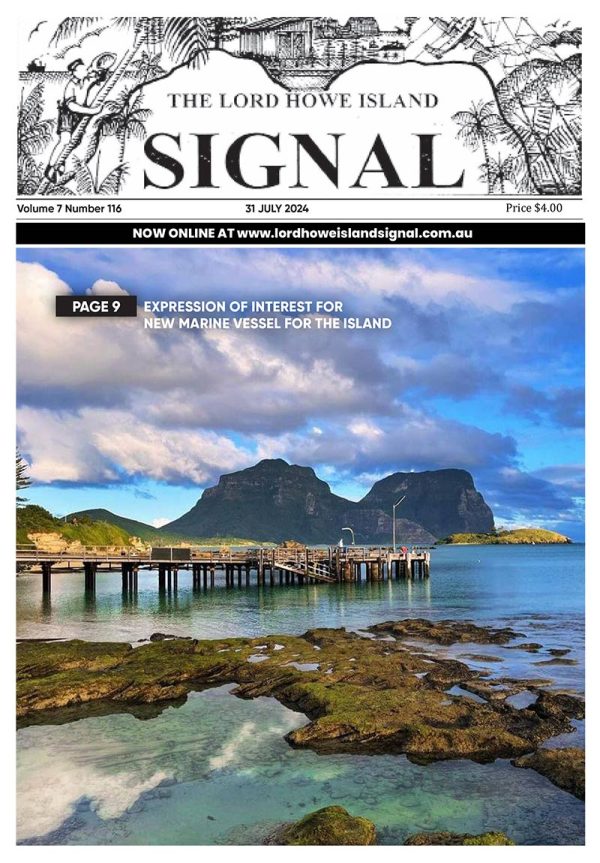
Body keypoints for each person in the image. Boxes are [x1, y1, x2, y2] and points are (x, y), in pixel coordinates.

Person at [44, 58, 103, 183]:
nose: (84, 71)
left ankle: (60, 162)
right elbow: (71, 106)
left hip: (79, 115)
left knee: (74, 141)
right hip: (68, 115)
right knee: (65, 140)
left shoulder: (85, 81)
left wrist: (98, 69)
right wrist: (92, 111)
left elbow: (99, 77)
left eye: (84, 69)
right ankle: (50, 167)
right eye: (81, 70)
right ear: (74, 72)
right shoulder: (71, 85)